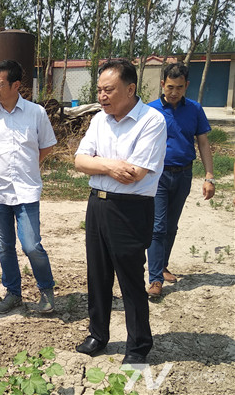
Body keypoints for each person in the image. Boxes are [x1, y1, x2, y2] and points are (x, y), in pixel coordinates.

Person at [74, 59, 167, 365]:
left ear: (130, 89)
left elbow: (135, 173)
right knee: (97, 275)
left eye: (109, 90)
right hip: (98, 205)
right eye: (99, 89)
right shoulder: (99, 120)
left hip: (130, 208)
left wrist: (98, 162)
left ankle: (138, 346)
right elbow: (80, 161)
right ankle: (98, 334)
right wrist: (112, 165)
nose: (102, 96)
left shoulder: (151, 121)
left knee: (130, 280)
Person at [0, 59, 57, 314]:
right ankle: (13, 293)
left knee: (31, 245)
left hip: (26, 191)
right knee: (5, 247)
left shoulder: (36, 113)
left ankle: (46, 289)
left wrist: (28, 165)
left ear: (16, 85)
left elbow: (46, 146)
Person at [146, 62, 215, 298]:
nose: (174, 92)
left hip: (184, 174)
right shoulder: (150, 110)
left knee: (171, 225)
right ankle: (155, 279)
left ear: (186, 86)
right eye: (170, 87)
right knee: (158, 226)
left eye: (179, 87)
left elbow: (203, 142)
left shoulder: (195, 109)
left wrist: (209, 176)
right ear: (162, 84)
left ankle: (162, 265)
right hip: (158, 176)